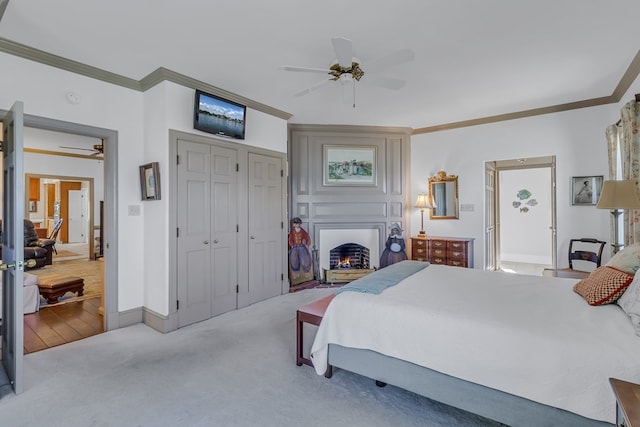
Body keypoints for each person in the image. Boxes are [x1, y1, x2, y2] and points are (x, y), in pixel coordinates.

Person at [288, 217, 313, 284]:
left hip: (301, 246)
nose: (297, 225)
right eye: (295, 224)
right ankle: (296, 272)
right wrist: (292, 245)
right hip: (295, 246)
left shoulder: (302, 231)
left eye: (298, 224)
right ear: (293, 225)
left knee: (305, 258)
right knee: (294, 259)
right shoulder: (292, 232)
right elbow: (290, 239)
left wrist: (307, 244)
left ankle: (307, 271)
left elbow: (307, 237)